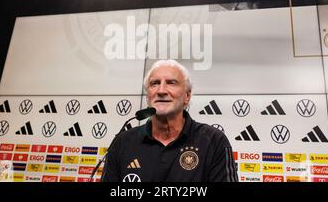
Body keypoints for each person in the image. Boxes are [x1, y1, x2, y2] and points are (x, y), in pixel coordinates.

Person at [101, 60, 238, 182]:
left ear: (187, 96)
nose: (161, 90)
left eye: (171, 83)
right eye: (154, 83)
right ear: (148, 95)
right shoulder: (122, 142)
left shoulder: (213, 141)